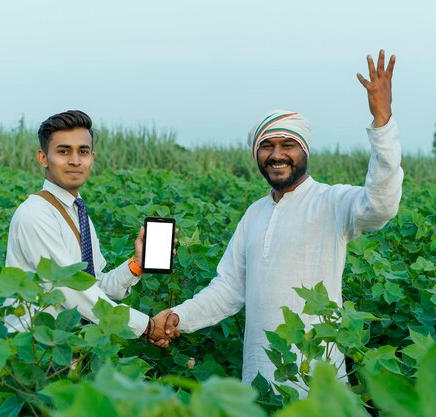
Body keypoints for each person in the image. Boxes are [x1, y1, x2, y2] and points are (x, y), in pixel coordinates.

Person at [154, 50, 403, 387]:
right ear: (257, 154)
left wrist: (382, 124)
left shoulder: (332, 201)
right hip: (259, 377)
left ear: (305, 152)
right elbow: (228, 289)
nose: (277, 154)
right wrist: (179, 317)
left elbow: (381, 205)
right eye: (266, 146)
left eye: (288, 144)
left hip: (318, 380)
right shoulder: (254, 214)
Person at [4, 110, 169, 341]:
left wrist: (136, 265)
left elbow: (94, 284)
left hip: (69, 347)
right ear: (43, 158)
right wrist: (147, 327)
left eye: (83, 151)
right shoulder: (36, 214)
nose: (75, 160)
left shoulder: (77, 211)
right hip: (35, 350)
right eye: (63, 151)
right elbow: (72, 291)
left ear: (92, 157)